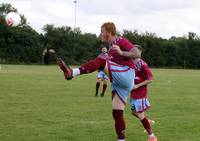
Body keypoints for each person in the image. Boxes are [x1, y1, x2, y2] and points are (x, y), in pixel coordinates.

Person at [57, 22, 141, 141]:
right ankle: (122, 140)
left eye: (102, 31)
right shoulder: (111, 48)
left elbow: (137, 53)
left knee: (102, 58)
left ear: (110, 32)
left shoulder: (121, 41)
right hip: (119, 81)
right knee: (117, 112)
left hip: (126, 74)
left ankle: (72, 73)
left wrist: (122, 53)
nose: (100, 34)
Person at [130, 45, 157, 141]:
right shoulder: (130, 62)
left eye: (134, 50)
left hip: (140, 93)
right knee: (133, 112)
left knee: (141, 115)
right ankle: (148, 121)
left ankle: (152, 136)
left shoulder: (143, 64)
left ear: (139, 53)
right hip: (133, 92)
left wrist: (137, 85)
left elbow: (150, 79)